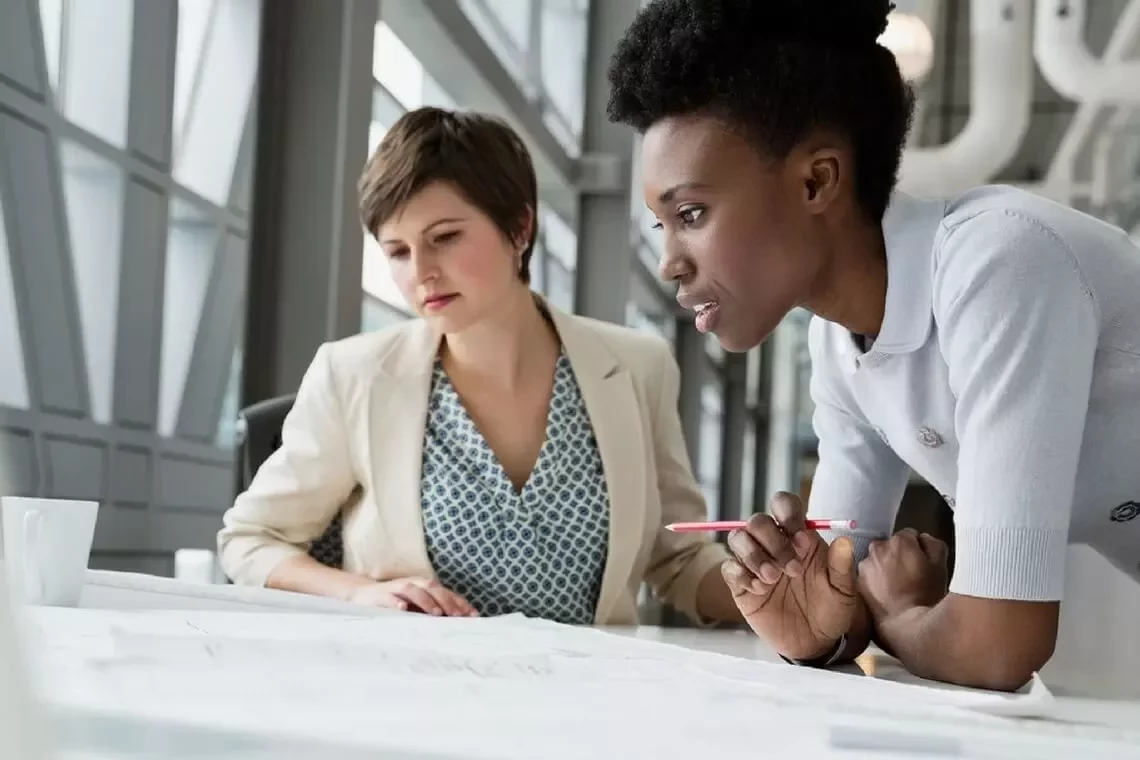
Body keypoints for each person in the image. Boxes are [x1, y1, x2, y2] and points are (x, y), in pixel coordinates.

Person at [607, 0, 1140, 690]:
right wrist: (812, 622)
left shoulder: (1000, 264)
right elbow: (839, 592)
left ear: (817, 180)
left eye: (691, 213)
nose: (668, 264)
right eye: (663, 225)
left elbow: (998, 644)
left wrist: (900, 614)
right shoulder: (839, 347)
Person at [218, 106, 740, 627]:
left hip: (585, 677)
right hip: (414, 673)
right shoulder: (354, 375)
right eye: (397, 251)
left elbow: (681, 559)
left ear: (519, 228)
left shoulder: (638, 368)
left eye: (444, 238)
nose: (421, 272)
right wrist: (357, 593)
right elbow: (249, 538)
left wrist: (774, 587)